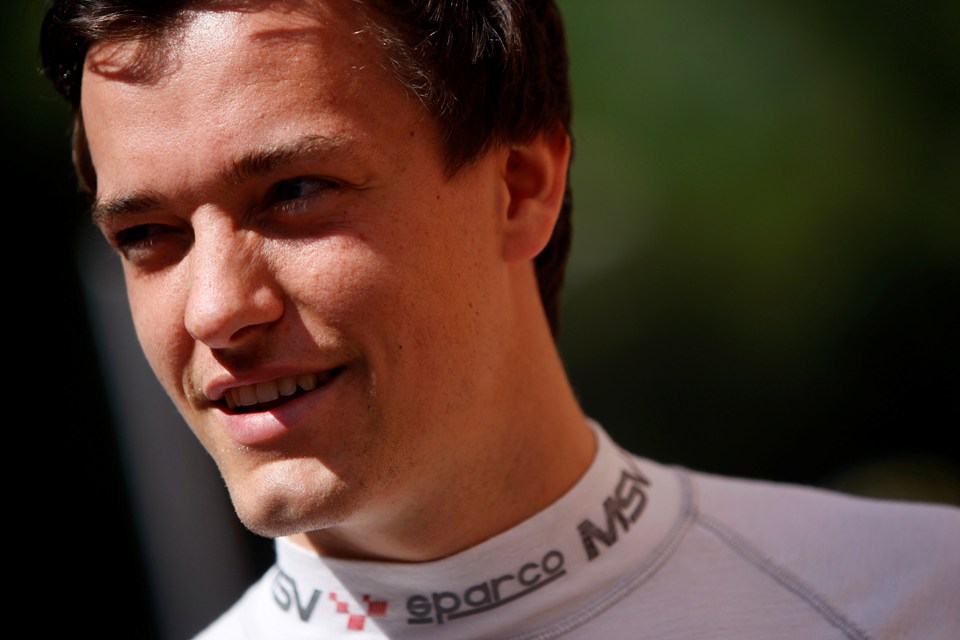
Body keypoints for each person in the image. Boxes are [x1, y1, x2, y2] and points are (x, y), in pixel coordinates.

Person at [40, 1, 958, 638]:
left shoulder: (921, 600)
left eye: (296, 192)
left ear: (522, 187)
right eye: (147, 235)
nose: (216, 309)